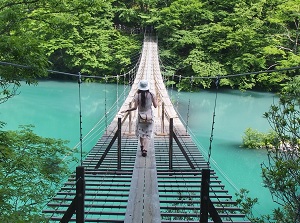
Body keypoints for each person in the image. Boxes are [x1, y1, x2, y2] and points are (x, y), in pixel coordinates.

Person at [122, 80, 157, 156]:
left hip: (140, 117)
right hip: (149, 117)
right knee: (148, 134)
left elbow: (135, 108)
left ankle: (141, 146)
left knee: (141, 133)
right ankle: (145, 149)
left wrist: (128, 110)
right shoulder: (152, 95)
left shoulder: (137, 96)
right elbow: (155, 106)